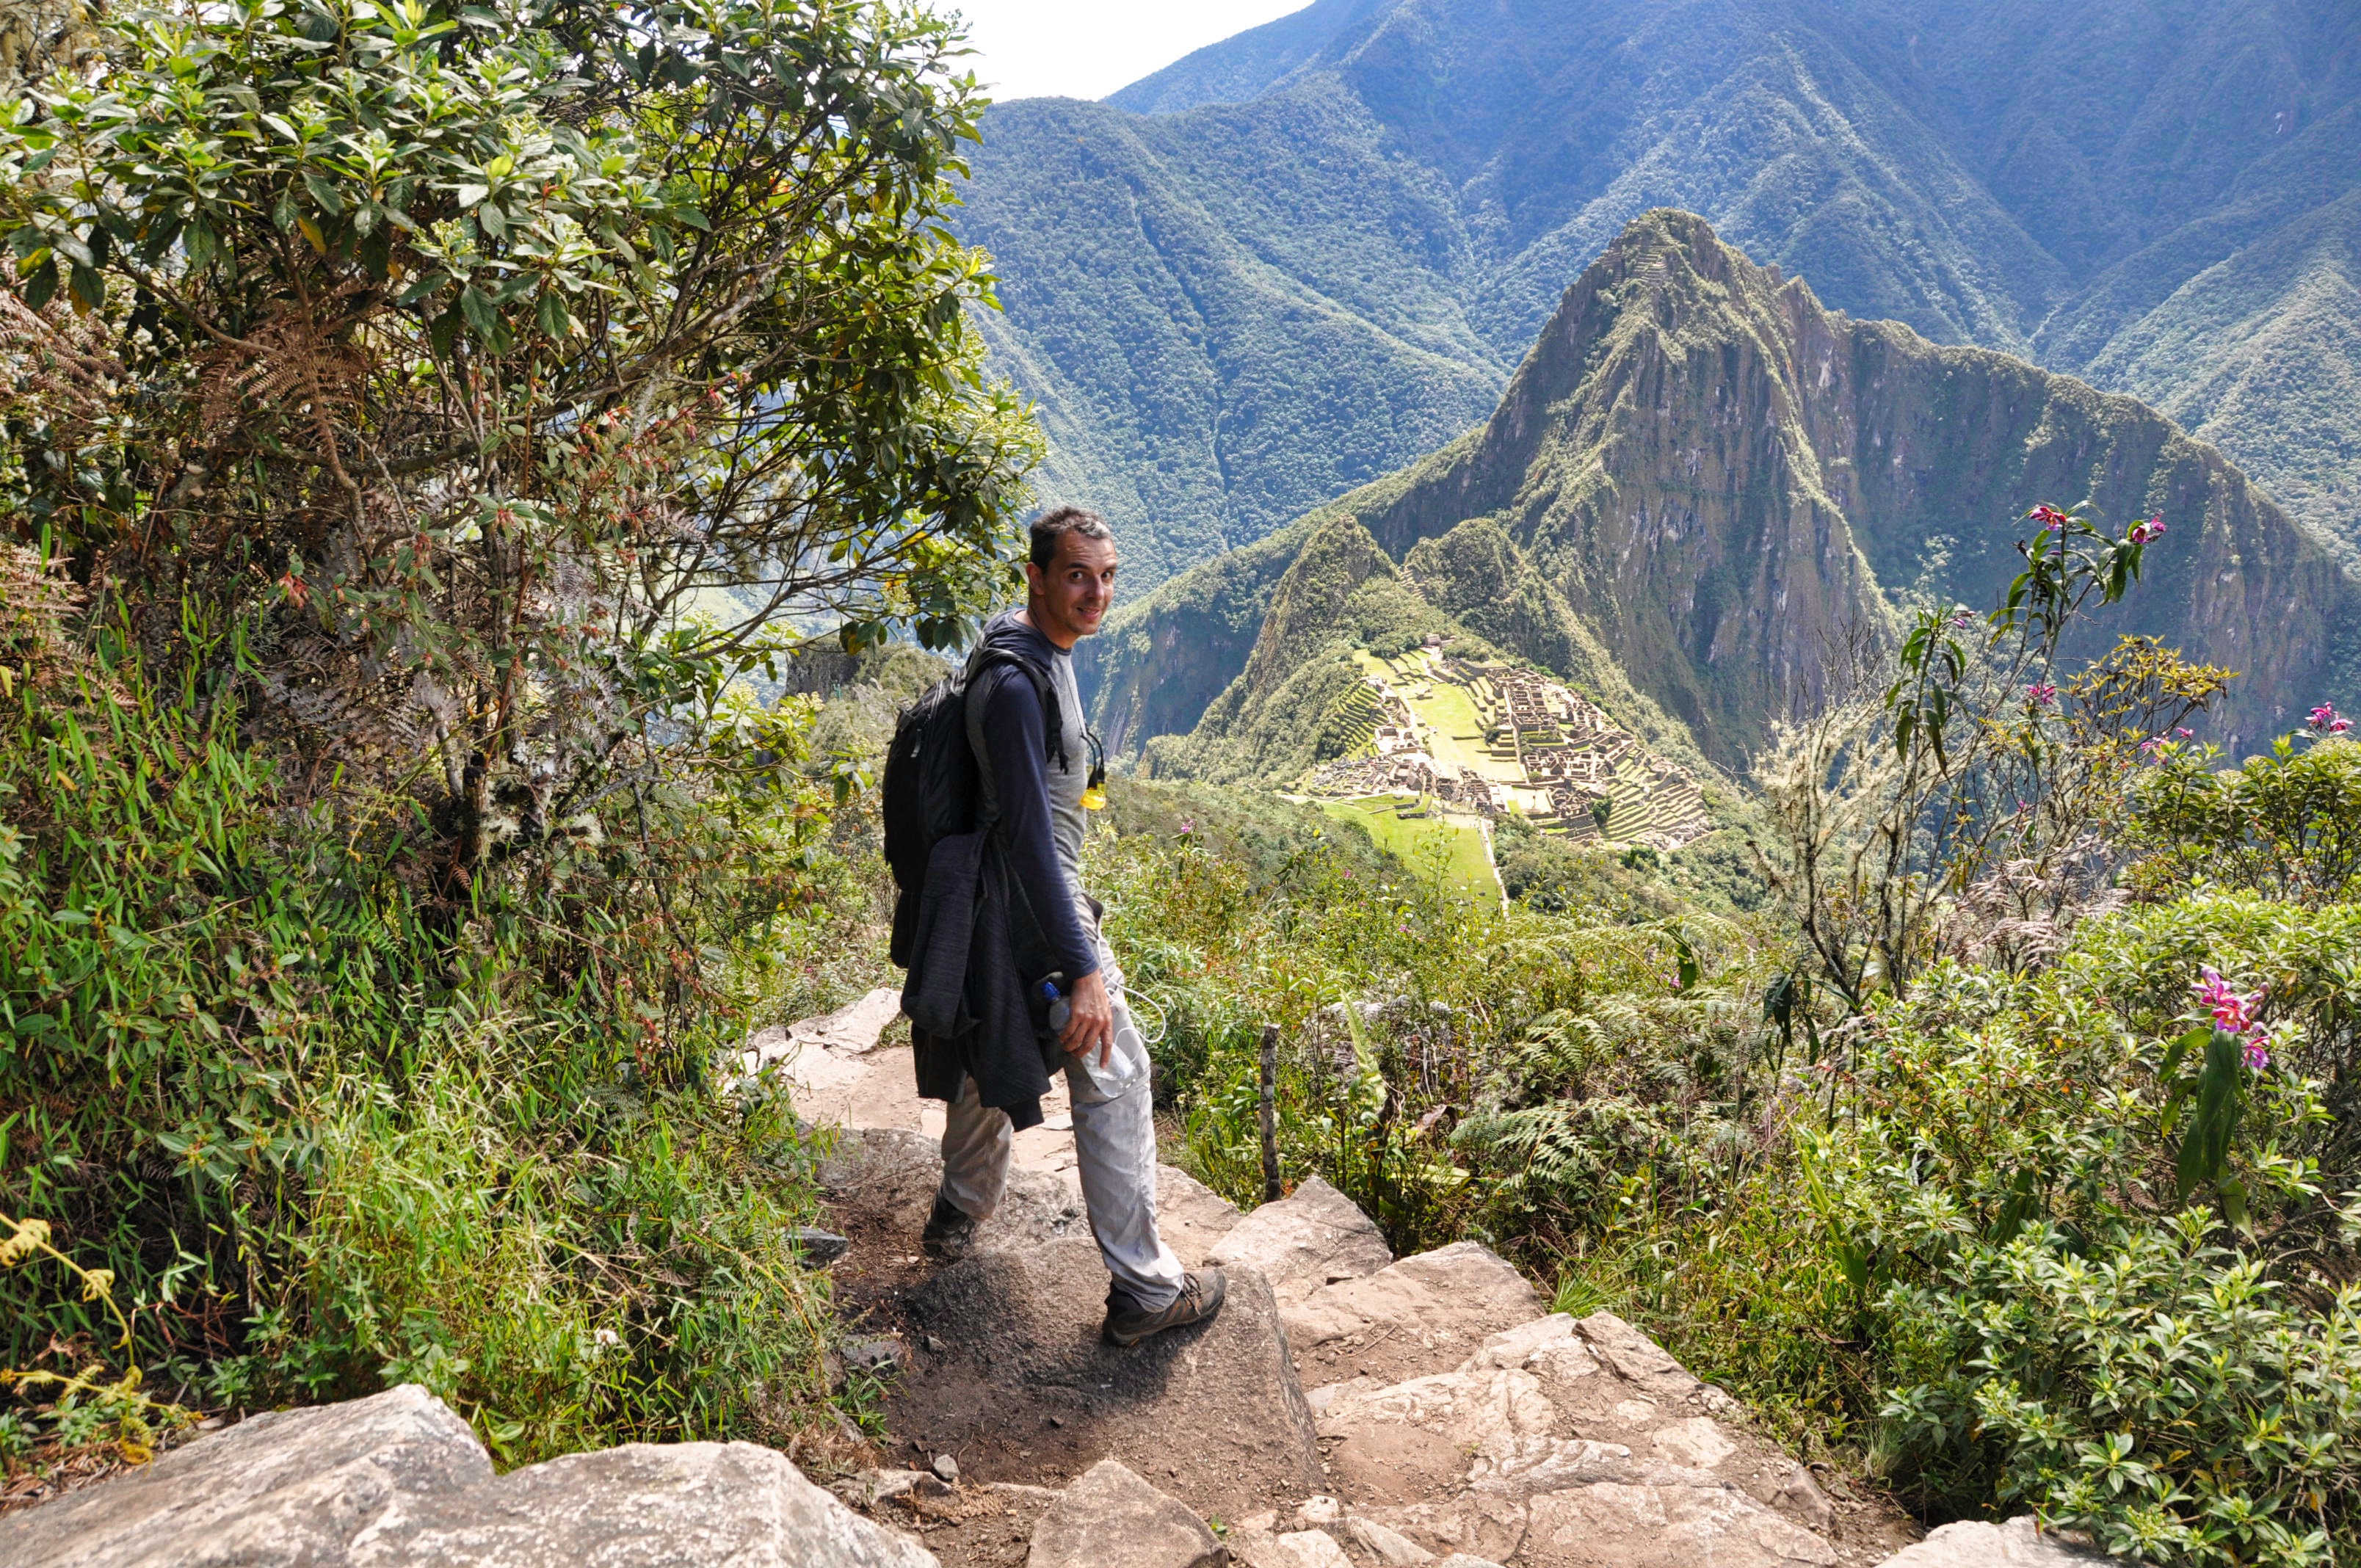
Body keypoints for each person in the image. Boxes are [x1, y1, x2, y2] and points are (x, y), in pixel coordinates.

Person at [921, 506, 1225, 1347]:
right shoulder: (1018, 689)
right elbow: (1029, 842)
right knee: (1115, 1069)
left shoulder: (1027, 647)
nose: (1096, 593)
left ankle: (957, 1212)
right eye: (1077, 575)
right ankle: (1145, 1289)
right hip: (1031, 917)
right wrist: (1081, 966)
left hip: (998, 917)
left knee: (995, 1047)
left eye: (1107, 576)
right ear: (1038, 577)